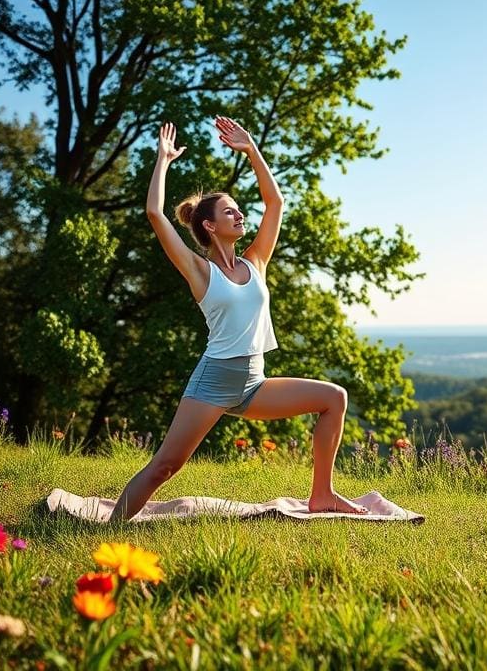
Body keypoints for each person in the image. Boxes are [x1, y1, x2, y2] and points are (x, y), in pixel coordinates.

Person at [108, 118, 369, 521]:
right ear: (210, 225)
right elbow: (155, 213)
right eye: (230, 211)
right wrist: (162, 160)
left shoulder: (256, 262)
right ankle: (108, 528)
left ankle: (322, 494)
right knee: (165, 467)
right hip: (213, 382)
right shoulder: (199, 271)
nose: (240, 214)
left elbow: (275, 203)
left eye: (239, 208)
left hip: (253, 382)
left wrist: (251, 150)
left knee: (334, 397)